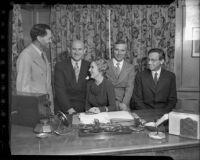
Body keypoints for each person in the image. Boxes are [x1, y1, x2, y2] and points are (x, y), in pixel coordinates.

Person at [16, 24, 54, 114]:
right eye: (49, 38)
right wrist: (29, 113)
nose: (51, 41)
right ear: (39, 38)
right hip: (33, 110)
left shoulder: (43, 54)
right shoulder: (26, 56)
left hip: (45, 107)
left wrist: (51, 109)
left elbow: (47, 85)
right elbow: (22, 89)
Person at [132, 48, 177, 113]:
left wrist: (163, 114)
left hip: (164, 113)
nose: (149, 63)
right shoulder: (140, 76)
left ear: (162, 61)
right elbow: (137, 100)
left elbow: (172, 100)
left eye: (153, 60)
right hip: (145, 113)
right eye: (149, 60)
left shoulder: (170, 76)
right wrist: (148, 114)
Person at [54, 40, 90, 115]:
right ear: (69, 50)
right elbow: (60, 91)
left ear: (84, 51)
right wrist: (70, 110)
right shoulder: (60, 66)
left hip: (84, 110)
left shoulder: (90, 66)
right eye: (74, 49)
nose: (77, 52)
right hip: (65, 109)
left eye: (80, 49)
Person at [106, 40, 135, 111]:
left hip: (123, 104)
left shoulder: (130, 67)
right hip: (106, 103)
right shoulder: (105, 64)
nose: (119, 53)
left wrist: (124, 104)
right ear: (113, 50)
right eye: (116, 50)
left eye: (122, 50)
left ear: (126, 52)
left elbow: (129, 88)